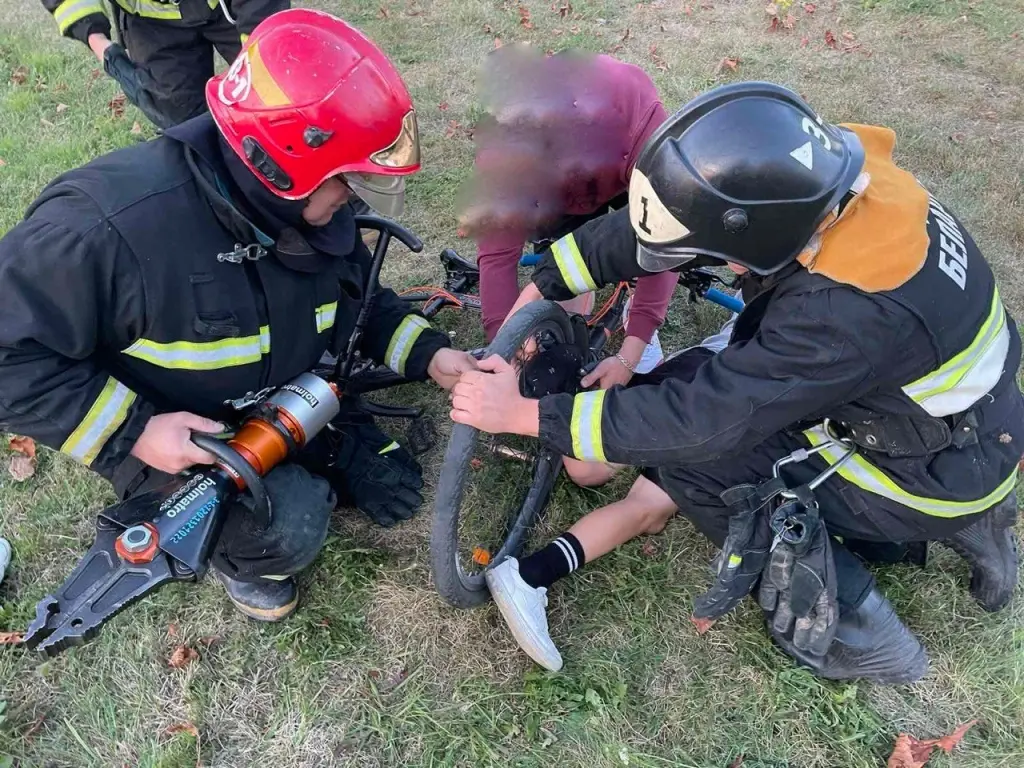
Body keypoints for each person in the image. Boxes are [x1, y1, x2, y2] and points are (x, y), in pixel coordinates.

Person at [451, 82, 1022, 683]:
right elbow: (662, 226)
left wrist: (526, 416)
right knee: (691, 393)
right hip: (971, 430)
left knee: (698, 465)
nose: (724, 267)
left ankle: (854, 635)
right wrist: (543, 286)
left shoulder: (842, 315)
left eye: (726, 256)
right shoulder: (826, 173)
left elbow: (698, 423)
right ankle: (983, 525)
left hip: (925, 469)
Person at [0, 9, 477, 622]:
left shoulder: (309, 209)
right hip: (175, 433)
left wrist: (434, 355)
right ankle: (246, 564)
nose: (354, 198)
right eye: (347, 181)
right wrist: (134, 432)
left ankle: (320, 438)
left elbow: (360, 301)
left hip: (271, 397)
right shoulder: (107, 229)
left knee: (346, 466)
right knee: (290, 525)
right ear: (285, 163)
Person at [460, 45, 678, 386]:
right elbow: (497, 256)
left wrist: (630, 351)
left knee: (643, 243)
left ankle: (635, 310)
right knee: (565, 293)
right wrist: (507, 341)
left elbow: (668, 236)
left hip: (626, 172)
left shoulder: (637, 119)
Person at [42, 0, 287, 128]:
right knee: (185, 124)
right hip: (150, 23)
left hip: (226, 6)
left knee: (278, 96)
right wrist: (98, 42)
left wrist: (259, 50)